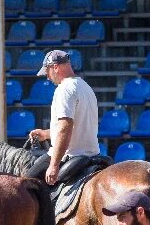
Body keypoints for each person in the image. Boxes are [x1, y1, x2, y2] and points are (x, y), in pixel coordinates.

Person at [26, 50, 100, 186]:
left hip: (70, 156)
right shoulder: (85, 87)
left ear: (55, 67)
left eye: (47, 72)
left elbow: (65, 128)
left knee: (24, 185)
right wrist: (46, 134)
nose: (47, 77)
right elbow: (79, 126)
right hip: (93, 155)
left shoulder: (64, 89)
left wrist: (54, 165)